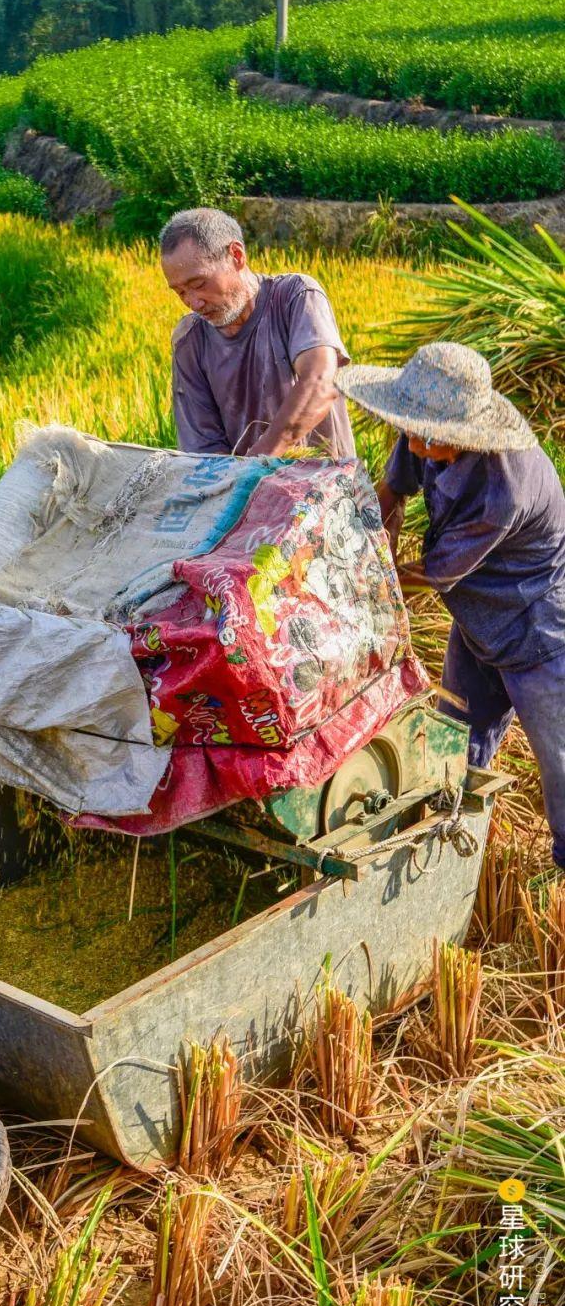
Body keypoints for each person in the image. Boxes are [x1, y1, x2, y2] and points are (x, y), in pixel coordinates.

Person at [335, 342, 565, 872]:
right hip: (475, 619)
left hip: (535, 629)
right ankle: (450, 840)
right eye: (410, 430)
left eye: (428, 439)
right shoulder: (425, 429)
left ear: (464, 436)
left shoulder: (503, 489)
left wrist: (365, 587)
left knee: (559, 764)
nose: (414, 444)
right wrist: (366, 537)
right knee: (454, 738)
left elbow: (434, 573)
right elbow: (391, 488)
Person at [161, 206, 356, 459]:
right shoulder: (191, 340)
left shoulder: (295, 297)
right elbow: (203, 450)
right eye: (180, 292)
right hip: (246, 490)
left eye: (198, 284)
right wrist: (239, 484)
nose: (194, 302)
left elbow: (320, 382)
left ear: (236, 256)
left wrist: (260, 458)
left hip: (325, 484)